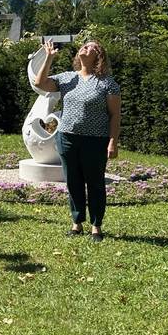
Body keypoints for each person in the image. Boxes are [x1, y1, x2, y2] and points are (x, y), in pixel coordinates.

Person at [33, 39, 121, 242]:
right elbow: (40, 83)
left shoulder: (108, 83)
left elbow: (115, 115)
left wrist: (113, 141)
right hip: (67, 138)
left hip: (95, 140)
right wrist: (48, 58)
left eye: (91, 47)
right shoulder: (67, 78)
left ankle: (96, 226)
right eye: (84, 45)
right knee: (73, 182)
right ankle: (77, 223)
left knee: (95, 183)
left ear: (98, 57)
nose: (85, 47)